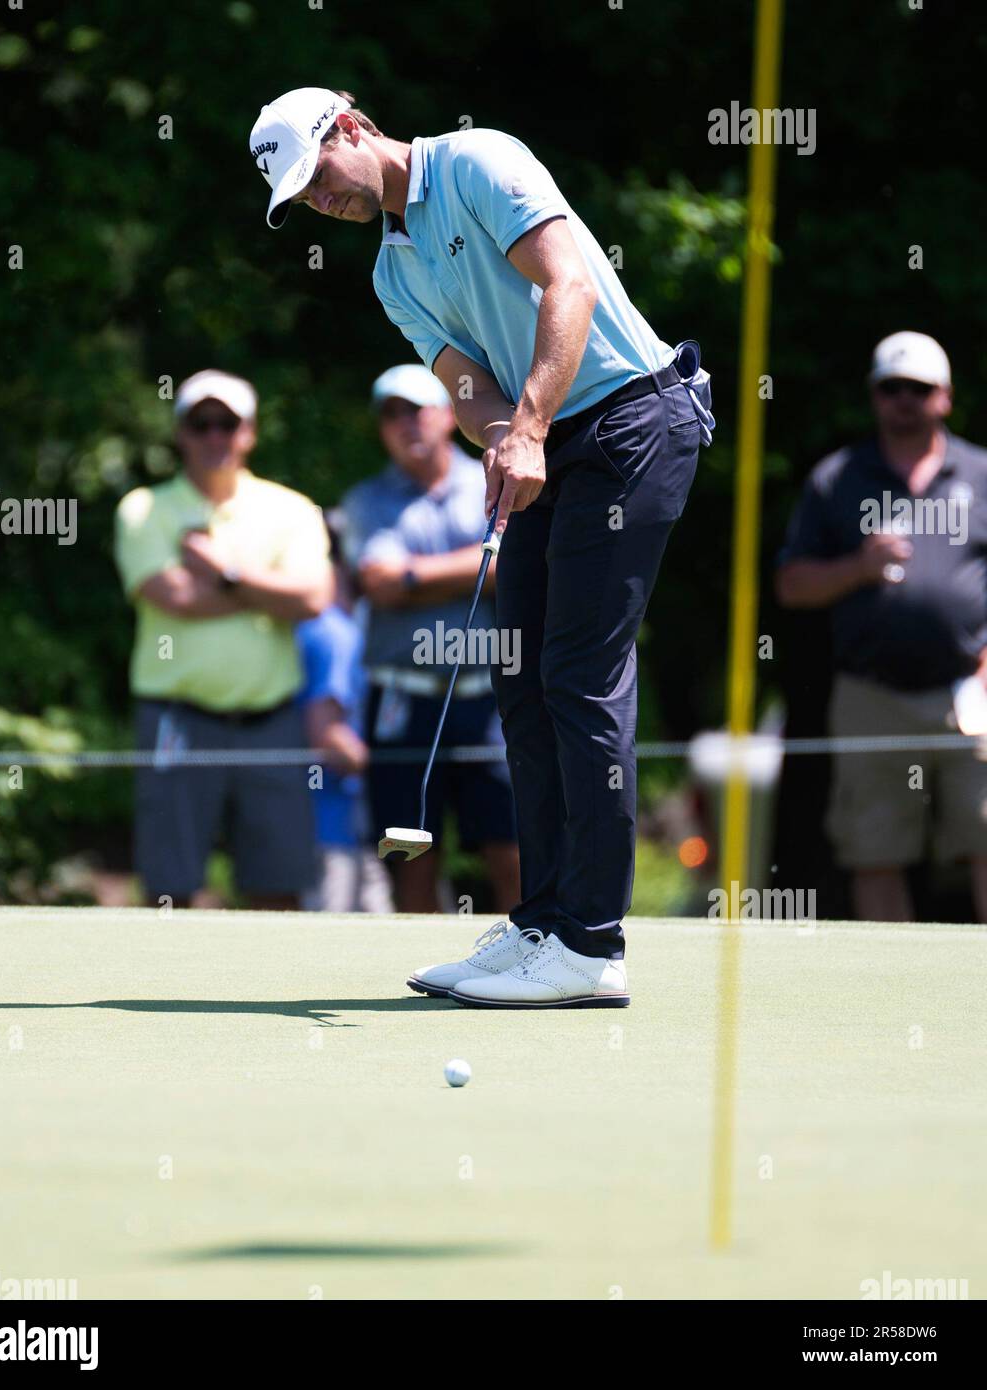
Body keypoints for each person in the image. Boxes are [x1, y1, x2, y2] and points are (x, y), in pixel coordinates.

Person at [249, 88, 712, 1006]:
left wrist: (529, 425)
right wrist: (503, 431)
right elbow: (463, 384)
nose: (319, 201)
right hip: (551, 439)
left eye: (317, 177)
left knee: (579, 673)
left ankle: (592, 941)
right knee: (520, 672)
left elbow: (568, 282)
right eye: (300, 198)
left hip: (634, 420)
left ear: (351, 128)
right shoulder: (391, 275)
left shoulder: (476, 160)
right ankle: (543, 919)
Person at [776, 332, 987, 922]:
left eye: (918, 389)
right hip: (869, 695)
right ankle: (894, 999)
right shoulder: (837, 479)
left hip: (972, 692)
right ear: (874, 396)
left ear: (944, 396)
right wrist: (857, 568)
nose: (904, 400)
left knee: (986, 839)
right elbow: (791, 586)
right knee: (875, 850)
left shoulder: (982, 473)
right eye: (891, 388)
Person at [114, 369, 333, 909]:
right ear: (181, 432)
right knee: (168, 887)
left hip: (273, 718)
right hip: (176, 718)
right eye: (200, 422)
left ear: (249, 432)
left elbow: (312, 600)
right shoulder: (142, 507)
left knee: (279, 886)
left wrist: (227, 573)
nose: (215, 435)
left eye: (226, 423)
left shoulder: (292, 508)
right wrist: (265, 588)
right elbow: (175, 599)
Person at [341, 364, 520, 915]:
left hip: (490, 698)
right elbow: (381, 584)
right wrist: (472, 567)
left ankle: (527, 953)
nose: (403, 423)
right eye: (389, 414)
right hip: (400, 699)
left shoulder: (495, 477)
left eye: (414, 409)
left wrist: (416, 575)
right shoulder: (365, 500)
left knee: (512, 848)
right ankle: (419, 971)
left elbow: (508, 568)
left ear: (447, 415)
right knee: (409, 856)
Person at [297, 511, 394, 914]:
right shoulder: (333, 632)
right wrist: (400, 773)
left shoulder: (341, 625)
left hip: (346, 826)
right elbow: (328, 735)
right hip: (331, 828)